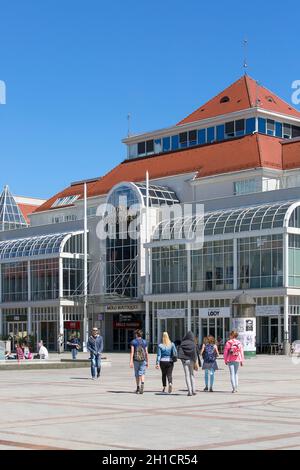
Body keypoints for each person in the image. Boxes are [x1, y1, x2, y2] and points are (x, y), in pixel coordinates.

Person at [178, 331, 198, 396]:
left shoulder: (182, 343)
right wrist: (195, 361)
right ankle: (194, 390)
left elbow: (180, 353)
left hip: (185, 361)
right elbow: (195, 354)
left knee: (187, 375)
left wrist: (182, 360)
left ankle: (189, 391)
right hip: (191, 360)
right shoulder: (193, 344)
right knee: (192, 374)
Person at [130, 329, 149, 395]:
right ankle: (142, 384)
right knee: (142, 373)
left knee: (137, 374)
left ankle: (138, 387)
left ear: (136, 334)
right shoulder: (144, 342)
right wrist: (147, 361)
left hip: (136, 360)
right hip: (143, 360)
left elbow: (132, 352)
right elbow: (146, 353)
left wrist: (131, 361)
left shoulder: (133, 342)